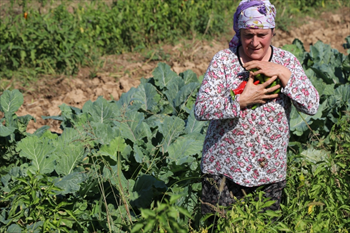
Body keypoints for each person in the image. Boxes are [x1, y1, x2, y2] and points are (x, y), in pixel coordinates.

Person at [194, 0, 319, 227]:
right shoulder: (224, 61)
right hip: (224, 169)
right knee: (218, 228)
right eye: (247, 35)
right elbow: (201, 108)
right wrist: (241, 100)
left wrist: (282, 72)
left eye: (261, 34)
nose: (254, 42)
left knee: (265, 228)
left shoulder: (286, 61)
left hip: (268, 169)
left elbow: (311, 105)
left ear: (273, 32)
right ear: (239, 32)